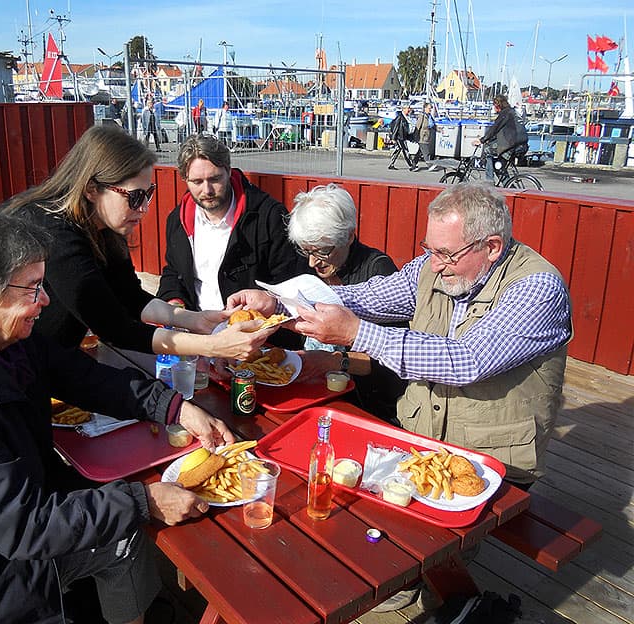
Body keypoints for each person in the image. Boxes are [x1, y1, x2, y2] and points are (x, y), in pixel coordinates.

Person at [0, 203, 236, 624]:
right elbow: (23, 526)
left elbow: (82, 376)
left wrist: (175, 408)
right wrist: (144, 500)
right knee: (125, 532)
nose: (45, 300)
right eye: (31, 288)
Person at [229, 183, 572, 489]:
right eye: (430, 249)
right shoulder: (431, 267)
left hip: (491, 460)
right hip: (423, 438)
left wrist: (356, 332)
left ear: (493, 247)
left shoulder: (538, 287)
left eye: (446, 254)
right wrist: (281, 304)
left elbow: (466, 360)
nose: (434, 264)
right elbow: (370, 297)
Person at [5, 125, 273, 361]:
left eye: (148, 194)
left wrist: (195, 320)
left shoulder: (104, 224)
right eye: (134, 197)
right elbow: (114, 326)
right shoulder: (53, 231)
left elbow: (130, 296)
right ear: (91, 189)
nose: (144, 208)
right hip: (8, 365)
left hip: (47, 360)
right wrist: (212, 346)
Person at [286, 184, 407, 424]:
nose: (312, 262)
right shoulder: (310, 266)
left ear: (350, 235)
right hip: (313, 396)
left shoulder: (378, 271)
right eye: (305, 250)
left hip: (367, 407)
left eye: (323, 251)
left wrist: (334, 362)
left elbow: (392, 365)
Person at [156, 133, 306, 313]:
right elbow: (174, 272)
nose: (207, 190)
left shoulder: (269, 217)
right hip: (195, 326)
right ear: (184, 180)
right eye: (197, 182)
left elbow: (290, 283)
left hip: (254, 329)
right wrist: (174, 302)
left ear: (228, 171)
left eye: (214, 179)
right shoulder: (178, 220)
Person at [472, 94, 528, 181]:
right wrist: (488, 139)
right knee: (498, 167)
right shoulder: (512, 112)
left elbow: (494, 128)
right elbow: (502, 131)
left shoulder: (505, 114)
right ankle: (509, 186)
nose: (493, 108)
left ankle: (489, 181)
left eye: (494, 105)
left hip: (513, 145)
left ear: (498, 105)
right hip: (521, 143)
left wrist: (481, 140)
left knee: (487, 150)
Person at [387, 105, 417, 171]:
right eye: (407, 108)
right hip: (399, 137)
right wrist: (393, 138)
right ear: (403, 109)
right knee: (405, 150)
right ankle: (411, 165)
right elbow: (396, 127)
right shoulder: (400, 117)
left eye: (409, 108)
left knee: (398, 149)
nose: (409, 110)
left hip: (403, 136)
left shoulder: (406, 117)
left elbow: (407, 128)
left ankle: (391, 164)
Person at [413, 102, 437, 169]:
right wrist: (416, 136)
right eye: (429, 108)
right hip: (422, 137)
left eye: (431, 108)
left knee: (420, 152)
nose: (430, 110)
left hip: (427, 136)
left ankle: (413, 164)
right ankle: (430, 165)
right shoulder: (422, 116)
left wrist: (440, 130)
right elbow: (418, 126)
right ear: (425, 108)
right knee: (426, 152)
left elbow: (433, 126)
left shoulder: (429, 116)